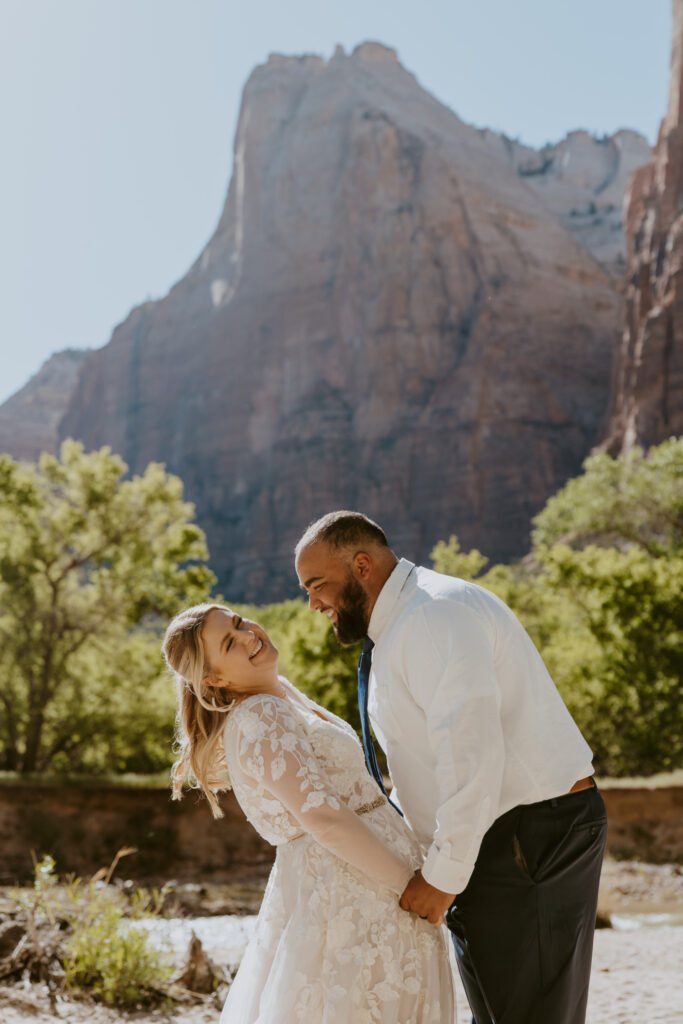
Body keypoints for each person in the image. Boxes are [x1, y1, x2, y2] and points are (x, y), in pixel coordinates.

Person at [295, 511, 608, 1024]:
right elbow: (427, 762)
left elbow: (473, 755)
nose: (313, 603)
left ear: (361, 565)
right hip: (496, 840)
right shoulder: (405, 623)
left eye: (317, 584)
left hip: (526, 836)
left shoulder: (433, 616)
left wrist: (442, 876)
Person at [162, 603, 456, 1023]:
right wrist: (408, 885)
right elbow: (322, 817)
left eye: (240, 622)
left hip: (373, 891)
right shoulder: (260, 715)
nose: (249, 635)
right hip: (353, 897)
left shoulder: (280, 693)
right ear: (215, 680)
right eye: (230, 642)